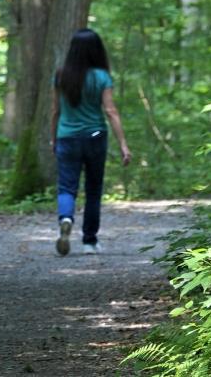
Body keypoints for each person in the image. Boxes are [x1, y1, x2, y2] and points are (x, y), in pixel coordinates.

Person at [49, 28, 131, 255]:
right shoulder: (102, 77)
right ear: (97, 50)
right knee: (93, 190)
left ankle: (66, 219)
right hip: (95, 137)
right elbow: (111, 111)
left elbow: (55, 110)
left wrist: (53, 138)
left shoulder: (60, 75)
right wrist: (123, 144)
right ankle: (89, 241)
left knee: (67, 187)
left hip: (67, 137)